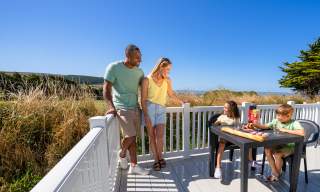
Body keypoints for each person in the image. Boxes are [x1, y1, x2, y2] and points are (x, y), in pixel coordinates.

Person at [103, 44, 149, 175]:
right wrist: (111, 107)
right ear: (128, 55)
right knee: (131, 135)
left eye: (140, 57)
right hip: (122, 107)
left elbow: (146, 88)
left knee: (133, 138)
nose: (140, 60)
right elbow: (106, 88)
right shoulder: (114, 67)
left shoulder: (139, 72)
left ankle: (133, 165)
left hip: (135, 108)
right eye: (137, 57)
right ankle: (122, 154)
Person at [141, 57, 183, 171]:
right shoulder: (146, 80)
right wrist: (145, 115)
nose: (168, 72)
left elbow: (171, 94)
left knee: (160, 137)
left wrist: (181, 102)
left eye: (170, 70)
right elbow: (143, 99)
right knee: (152, 137)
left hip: (161, 109)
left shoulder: (168, 80)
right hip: (149, 109)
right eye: (167, 69)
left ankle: (160, 157)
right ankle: (156, 160)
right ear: (161, 67)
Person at [247, 104, 304, 181]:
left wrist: (285, 130)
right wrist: (256, 124)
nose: (278, 117)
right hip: (279, 144)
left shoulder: (294, 123)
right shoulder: (276, 121)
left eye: (280, 116)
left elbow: (302, 132)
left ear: (288, 115)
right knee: (267, 149)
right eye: (277, 115)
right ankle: (275, 172)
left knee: (277, 154)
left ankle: (274, 175)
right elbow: (265, 126)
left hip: (290, 146)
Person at [213, 100, 241, 178]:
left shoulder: (236, 118)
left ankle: (251, 160)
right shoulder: (222, 117)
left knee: (247, 141)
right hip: (224, 139)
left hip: (234, 138)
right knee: (221, 145)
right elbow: (216, 123)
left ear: (231, 110)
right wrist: (216, 123)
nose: (224, 109)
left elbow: (238, 127)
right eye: (224, 107)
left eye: (226, 108)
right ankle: (218, 167)